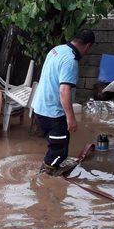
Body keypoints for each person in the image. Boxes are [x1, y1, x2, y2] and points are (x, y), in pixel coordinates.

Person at [31, 29, 95, 173]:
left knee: (60, 146)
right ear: (88, 46)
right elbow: (64, 91)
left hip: (40, 108)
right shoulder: (70, 61)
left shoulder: (57, 49)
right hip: (53, 114)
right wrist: (71, 118)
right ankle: (44, 180)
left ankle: (52, 170)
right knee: (58, 151)